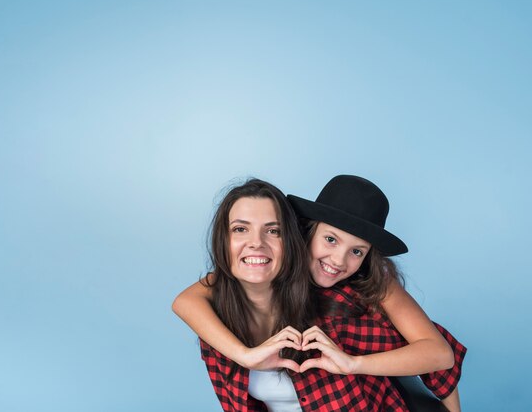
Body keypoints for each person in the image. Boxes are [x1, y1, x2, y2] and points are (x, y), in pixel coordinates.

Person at [174, 176, 466, 411]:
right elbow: (186, 300)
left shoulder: (362, 292)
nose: (338, 260)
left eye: (356, 251)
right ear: (304, 234)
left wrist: (353, 364)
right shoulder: (250, 277)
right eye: (330, 239)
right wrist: (247, 356)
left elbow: (439, 352)